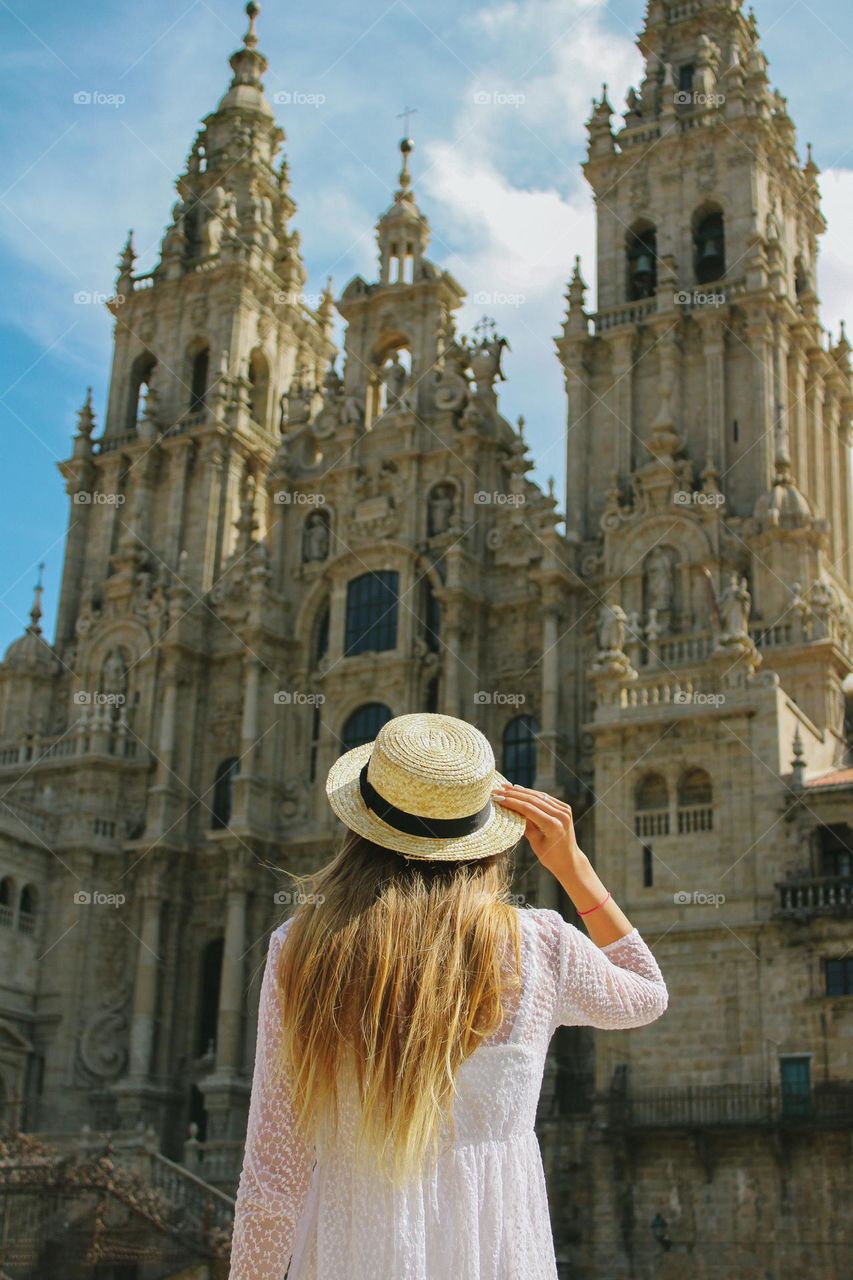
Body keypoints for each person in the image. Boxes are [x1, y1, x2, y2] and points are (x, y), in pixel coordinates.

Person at [228, 713, 668, 1279]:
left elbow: (273, 1177)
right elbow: (648, 992)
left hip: (352, 1255)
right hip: (499, 1257)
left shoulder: (301, 950)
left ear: (359, 830)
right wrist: (573, 867)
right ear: (484, 839)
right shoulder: (540, 946)